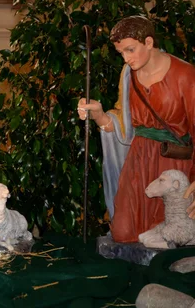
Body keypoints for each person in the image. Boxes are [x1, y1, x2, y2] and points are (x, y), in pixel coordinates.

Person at [78, 15, 195, 243]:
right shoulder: (128, 74)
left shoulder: (186, 75)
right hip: (139, 162)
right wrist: (100, 115)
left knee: (172, 234)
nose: (126, 58)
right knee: (124, 232)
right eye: (121, 52)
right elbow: (125, 123)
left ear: (149, 42)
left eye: (130, 50)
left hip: (173, 164)